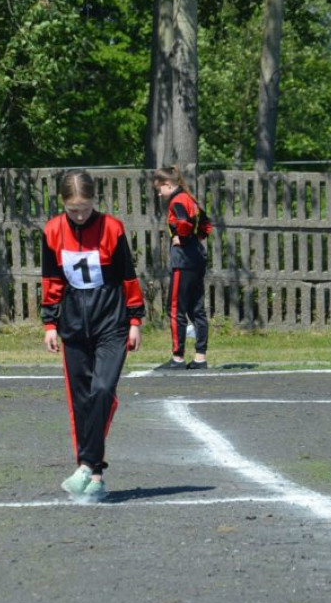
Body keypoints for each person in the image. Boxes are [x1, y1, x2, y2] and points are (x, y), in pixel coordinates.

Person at [42, 170, 145, 502]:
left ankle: (86, 465)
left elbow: (128, 276)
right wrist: (50, 323)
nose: (80, 215)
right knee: (81, 400)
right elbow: (51, 278)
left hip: (111, 324)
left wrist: (135, 319)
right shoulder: (52, 231)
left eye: (85, 207)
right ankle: (95, 474)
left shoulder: (112, 229)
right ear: (63, 204)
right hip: (73, 326)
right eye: (73, 209)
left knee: (102, 390)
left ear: (93, 201)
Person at [153, 166, 212, 370]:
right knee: (197, 309)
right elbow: (206, 225)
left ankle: (177, 358)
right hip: (197, 257)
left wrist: (183, 237)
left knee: (176, 307)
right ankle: (200, 357)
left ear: (168, 185)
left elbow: (184, 222)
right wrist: (197, 240)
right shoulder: (191, 198)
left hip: (184, 260)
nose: (160, 194)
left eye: (160, 189)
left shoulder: (177, 201)